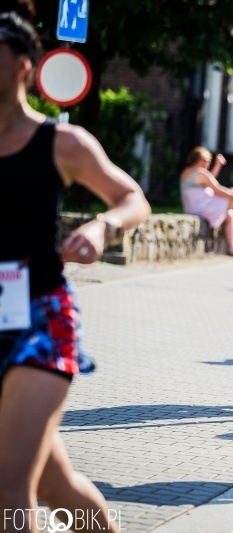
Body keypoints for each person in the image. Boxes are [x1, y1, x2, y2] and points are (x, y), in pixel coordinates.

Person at [0, 11, 151, 532]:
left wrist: (104, 227)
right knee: (52, 485)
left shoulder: (60, 143)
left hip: (41, 319)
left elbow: (132, 197)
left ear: (23, 63)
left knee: (7, 484)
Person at [180, 146, 233, 257]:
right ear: (198, 159)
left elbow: (209, 181)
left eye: (209, 161)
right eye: (205, 160)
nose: (207, 163)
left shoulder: (187, 171)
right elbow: (217, 189)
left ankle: (232, 248)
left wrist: (217, 165)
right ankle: (232, 248)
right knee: (230, 207)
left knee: (230, 214)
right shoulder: (201, 173)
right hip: (201, 208)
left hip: (192, 208)